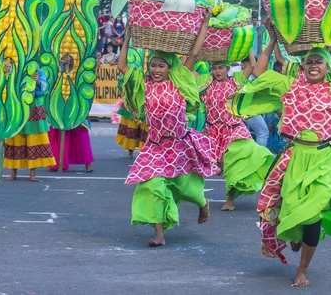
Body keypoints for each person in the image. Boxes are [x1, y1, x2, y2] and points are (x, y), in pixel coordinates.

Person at [228, 20, 331, 287]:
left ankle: (302, 270)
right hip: (294, 159)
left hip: (323, 161)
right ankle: (295, 234)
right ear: (302, 67)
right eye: (309, 62)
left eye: (319, 62)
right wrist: (271, 38)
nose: (313, 65)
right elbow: (259, 70)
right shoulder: (291, 86)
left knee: (313, 216)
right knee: (292, 210)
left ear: (328, 67)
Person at [117, 13, 220, 247]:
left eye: (161, 65)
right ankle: (160, 235)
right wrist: (128, 37)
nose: (156, 69)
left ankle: (202, 202)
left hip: (179, 144)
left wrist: (204, 24)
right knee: (151, 186)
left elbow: (193, 53)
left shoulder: (178, 81)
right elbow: (122, 66)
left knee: (185, 187)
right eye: (153, 65)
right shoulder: (143, 83)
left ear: (169, 67)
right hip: (155, 146)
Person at [195, 52, 274, 211]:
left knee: (232, 165)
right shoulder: (206, 83)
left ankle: (230, 200)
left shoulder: (235, 81)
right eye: (215, 68)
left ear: (228, 68)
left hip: (233, 129)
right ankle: (195, 195)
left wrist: (249, 49)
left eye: (221, 68)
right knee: (198, 161)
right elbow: (187, 69)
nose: (218, 71)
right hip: (212, 131)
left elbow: (252, 66)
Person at [3, 59, 55, 181]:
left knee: (34, 139)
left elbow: (44, 88)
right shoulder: (15, 70)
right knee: (14, 137)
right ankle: (13, 172)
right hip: (18, 107)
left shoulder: (39, 71)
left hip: (34, 107)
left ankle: (33, 174)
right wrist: (7, 74)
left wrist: (37, 81)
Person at [240, 56, 270, 147]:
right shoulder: (244, 77)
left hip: (239, 110)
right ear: (245, 65)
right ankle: (260, 157)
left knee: (245, 135)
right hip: (246, 109)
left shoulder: (240, 77)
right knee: (263, 132)